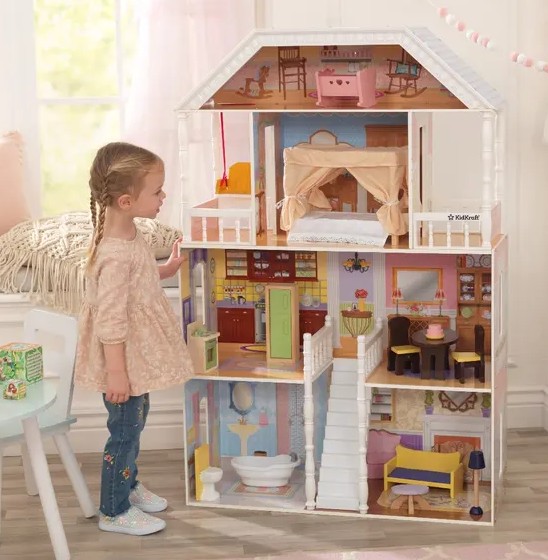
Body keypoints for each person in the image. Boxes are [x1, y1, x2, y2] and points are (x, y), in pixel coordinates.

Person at [75, 142, 194, 536]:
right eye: (157, 191)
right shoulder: (113, 253)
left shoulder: (129, 235)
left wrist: (165, 269)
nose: (164, 197)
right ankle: (114, 509)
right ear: (126, 201)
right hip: (122, 362)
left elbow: (136, 278)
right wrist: (117, 374)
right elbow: (110, 320)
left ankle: (128, 483)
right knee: (124, 432)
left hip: (134, 359)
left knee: (135, 423)